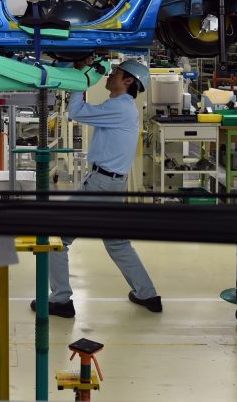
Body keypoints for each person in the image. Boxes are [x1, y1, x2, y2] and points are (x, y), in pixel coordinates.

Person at [33, 57, 162, 318]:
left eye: (117, 72)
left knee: (56, 237)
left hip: (102, 185)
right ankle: (148, 295)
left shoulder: (121, 108)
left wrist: (79, 77)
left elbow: (76, 112)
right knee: (117, 242)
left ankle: (61, 300)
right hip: (111, 184)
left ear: (128, 81)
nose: (110, 74)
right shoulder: (119, 105)